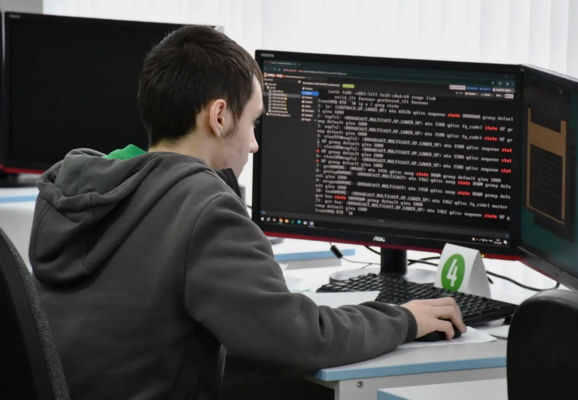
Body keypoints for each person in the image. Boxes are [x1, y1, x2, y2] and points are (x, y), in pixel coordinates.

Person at [30, 25, 465, 400]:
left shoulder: (85, 187)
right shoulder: (202, 207)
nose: (254, 144)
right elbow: (298, 339)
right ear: (219, 116)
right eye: (253, 122)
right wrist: (405, 318)